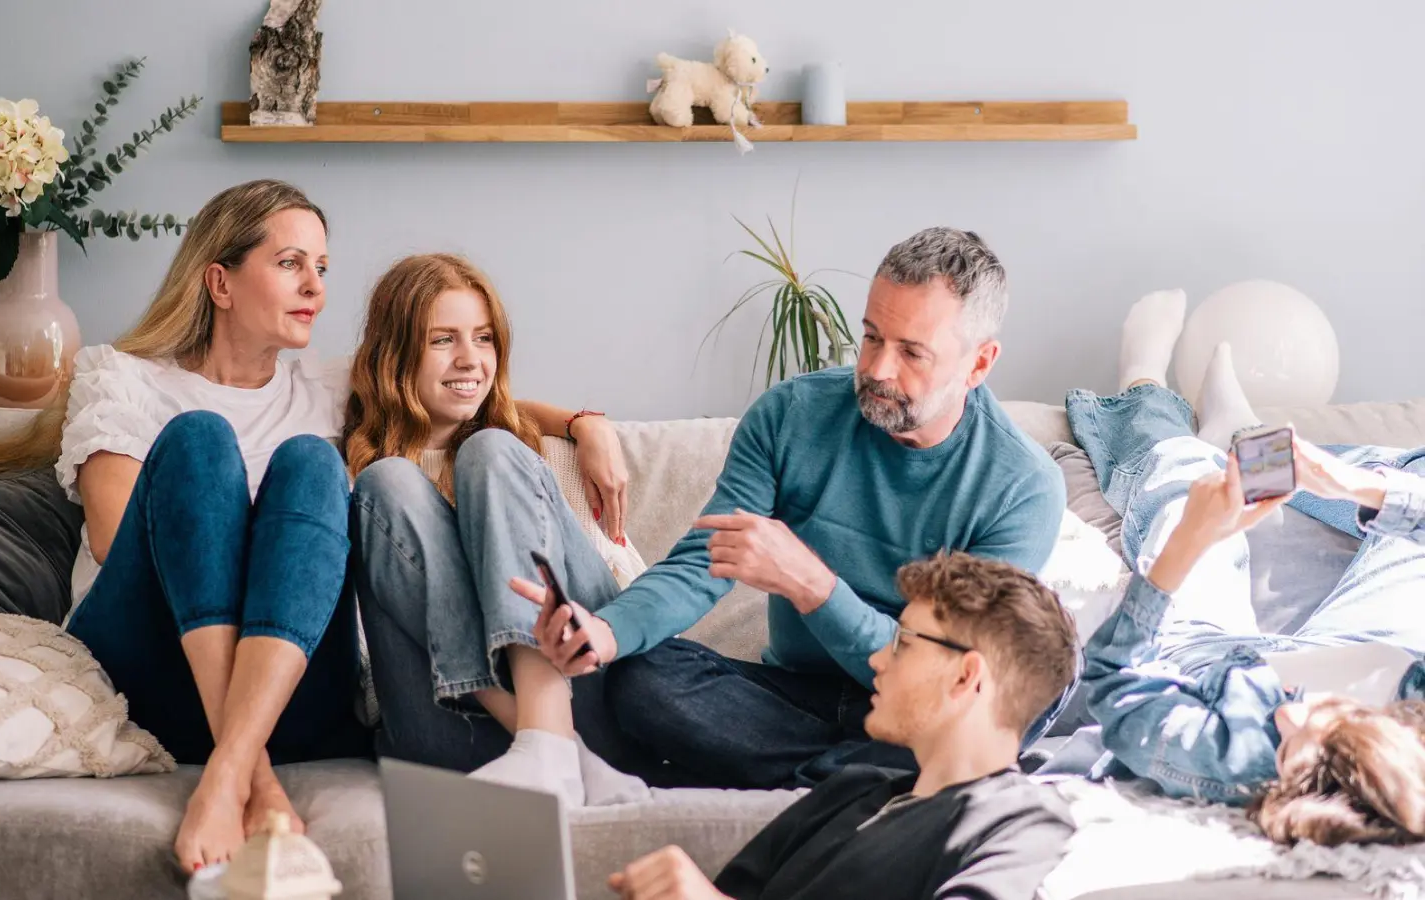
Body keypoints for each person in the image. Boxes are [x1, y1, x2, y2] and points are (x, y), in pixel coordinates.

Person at [0, 184, 632, 868]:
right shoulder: (122, 378)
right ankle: (250, 776)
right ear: (221, 282)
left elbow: (454, 383)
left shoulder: (323, 389)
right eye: (291, 263)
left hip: (293, 687)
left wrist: (582, 423)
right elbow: (118, 541)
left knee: (310, 463)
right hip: (151, 665)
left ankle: (234, 763)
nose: (316, 288)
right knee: (201, 442)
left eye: (321, 269)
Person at [523, 227, 1070, 790]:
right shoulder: (793, 415)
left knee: (966, 732)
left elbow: (948, 680)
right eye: (873, 337)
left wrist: (815, 587)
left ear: (979, 364)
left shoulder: (1022, 487)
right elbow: (703, 562)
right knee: (641, 676)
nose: (879, 369)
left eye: (911, 352)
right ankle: (848, 785)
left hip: (911, 709)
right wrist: (607, 632)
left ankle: (822, 781)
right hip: (790, 697)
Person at [1066, 288, 1425, 845]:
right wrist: (1358, 486)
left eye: (1282, 752)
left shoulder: (1233, 761)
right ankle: (1240, 436)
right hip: (1388, 642)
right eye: (1326, 728)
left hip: (1217, 656)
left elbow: (1115, 685)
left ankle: (1142, 384)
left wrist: (1192, 538)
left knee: (1187, 488)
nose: (1286, 717)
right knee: (1413, 480)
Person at [345, 253, 654, 808]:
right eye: (442, 340)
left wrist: (587, 423)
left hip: (591, 689)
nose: (469, 360)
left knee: (488, 448)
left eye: (483, 338)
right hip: (447, 722)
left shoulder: (527, 455)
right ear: (394, 354)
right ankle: (556, 747)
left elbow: (628, 593)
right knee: (387, 481)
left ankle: (550, 734)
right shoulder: (351, 474)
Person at [603, 552, 1079, 900]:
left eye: (903, 644)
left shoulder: (1023, 820)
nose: (876, 659)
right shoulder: (851, 791)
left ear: (965, 676)